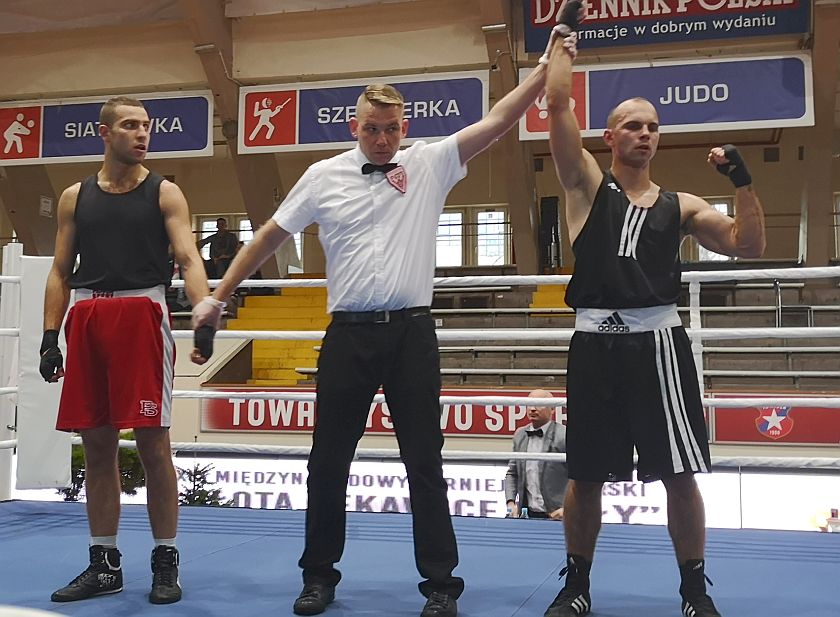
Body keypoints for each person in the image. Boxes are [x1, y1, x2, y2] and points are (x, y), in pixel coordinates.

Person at [191, 72, 549, 617]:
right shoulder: (321, 176)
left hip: (412, 332)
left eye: (390, 129)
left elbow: (499, 121)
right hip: (348, 335)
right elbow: (268, 235)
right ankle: (317, 577)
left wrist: (544, 69)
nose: (381, 139)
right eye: (371, 129)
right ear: (354, 127)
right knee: (327, 462)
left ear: (404, 128)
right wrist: (218, 297)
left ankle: (440, 586)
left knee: (424, 461)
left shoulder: (429, 162)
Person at [541, 4, 766, 617]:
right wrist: (563, 39)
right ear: (610, 137)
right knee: (586, 476)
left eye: (653, 126)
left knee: (678, 476)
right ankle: (576, 586)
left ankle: (695, 591)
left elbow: (749, 248)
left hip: (661, 348)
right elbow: (558, 107)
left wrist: (744, 184)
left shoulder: (684, 204)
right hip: (595, 346)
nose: (645, 133)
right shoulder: (586, 185)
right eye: (633, 125)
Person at [39, 96, 213, 605]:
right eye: (131, 126)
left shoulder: (166, 193)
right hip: (88, 315)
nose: (142, 135)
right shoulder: (75, 196)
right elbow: (59, 269)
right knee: (96, 444)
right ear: (104, 132)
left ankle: (165, 561)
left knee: (154, 444)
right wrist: (51, 335)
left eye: (147, 126)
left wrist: (203, 309)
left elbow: (187, 255)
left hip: (143, 314)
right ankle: (104, 563)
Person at [505, 389, 568, 520]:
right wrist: (510, 502)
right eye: (530, 404)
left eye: (539, 404)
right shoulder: (520, 434)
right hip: (527, 514)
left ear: (552, 409)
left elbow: (578, 476)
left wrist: (568, 507)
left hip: (560, 514)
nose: (533, 409)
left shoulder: (564, 435)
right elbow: (512, 473)